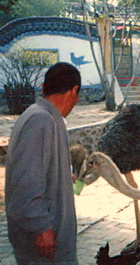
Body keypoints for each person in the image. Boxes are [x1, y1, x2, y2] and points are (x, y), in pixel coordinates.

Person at [5, 62, 81, 264]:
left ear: (43, 87)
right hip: (43, 244)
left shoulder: (41, 116)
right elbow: (26, 182)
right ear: (73, 91)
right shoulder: (41, 120)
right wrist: (40, 227)